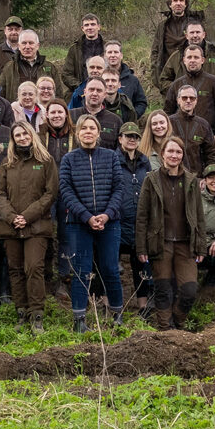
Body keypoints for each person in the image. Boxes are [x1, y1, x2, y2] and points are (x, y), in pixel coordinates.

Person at [58, 113, 124, 332]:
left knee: (110, 268)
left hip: (110, 223)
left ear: (98, 133)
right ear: (78, 133)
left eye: (92, 128)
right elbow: (66, 191)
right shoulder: (69, 159)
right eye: (84, 128)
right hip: (79, 224)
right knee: (81, 271)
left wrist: (106, 215)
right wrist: (87, 216)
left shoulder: (111, 156)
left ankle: (117, 316)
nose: (88, 132)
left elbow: (118, 188)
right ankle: (79, 320)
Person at [135, 136, 206, 331]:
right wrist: (142, 247)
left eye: (178, 152)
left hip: (185, 243)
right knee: (163, 288)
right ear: (163, 154)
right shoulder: (151, 180)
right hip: (160, 242)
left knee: (189, 289)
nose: (174, 155)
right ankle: (165, 328)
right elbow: (142, 216)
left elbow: (199, 216)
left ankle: (179, 321)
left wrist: (201, 245)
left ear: (182, 155)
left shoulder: (191, 181)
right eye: (170, 151)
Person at [0, 123, 57, 332]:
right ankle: (21, 311)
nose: (22, 138)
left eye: (25, 133)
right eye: (17, 135)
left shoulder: (45, 161)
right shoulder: (7, 163)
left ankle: (36, 313)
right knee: (16, 269)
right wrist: (12, 217)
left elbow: (50, 193)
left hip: (37, 226)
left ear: (32, 135)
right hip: (11, 227)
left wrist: (27, 216)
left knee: (34, 267)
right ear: (13, 139)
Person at [114, 121, 153, 317]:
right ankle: (111, 306)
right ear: (120, 138)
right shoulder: (112, 159)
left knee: (141, 265)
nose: (131, 139)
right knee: (112, 266)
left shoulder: (145, 162)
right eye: (127, 136)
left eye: (135, 136)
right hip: (117, 221)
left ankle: (143, 307)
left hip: (140, 222)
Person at [152, 0, 203, 79]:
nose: (178, 3)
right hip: (168, 74)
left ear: (185, 4)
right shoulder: (163, 26)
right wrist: (156, 74)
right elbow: (155, 50)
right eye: (175, 1)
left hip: (191, 74)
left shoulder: (194, 25)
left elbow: (204, 48)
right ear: (170, 5)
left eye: (181, 0)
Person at [60, 15, 106, 94]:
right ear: (82, 28)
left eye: (93, 24)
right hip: (79, 93)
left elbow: (116, 71)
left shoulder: (108, 48)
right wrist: (81, 87)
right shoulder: (74, 49)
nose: (90, 27)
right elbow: (66, 74)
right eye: (86, 25)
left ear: (99, 27)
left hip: (104, 91)